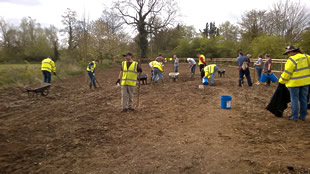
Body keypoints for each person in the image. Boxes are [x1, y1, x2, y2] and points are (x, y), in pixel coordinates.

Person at [279, 46, 310, 121]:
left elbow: (287, 73)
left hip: (294, 84)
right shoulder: (307, 57)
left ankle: (294, 116)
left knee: (294, 99)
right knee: (303, 99)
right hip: (306, 82)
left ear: (292, 52)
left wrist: (281, 81)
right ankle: (303, 116)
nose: (288, 55)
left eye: (288, 53)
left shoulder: (291, 60)